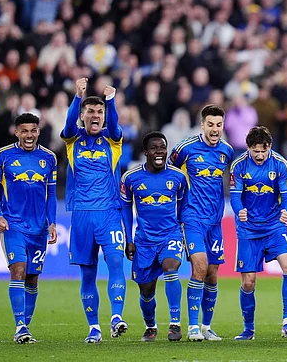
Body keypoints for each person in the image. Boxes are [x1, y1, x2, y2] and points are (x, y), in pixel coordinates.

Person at [61, 78, 128, 343]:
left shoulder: (113, 141)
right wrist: (78, 97)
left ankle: (116, 317)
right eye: (90, 112)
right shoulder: (72, 141)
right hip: (81, 216)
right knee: (87, 273)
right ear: (82, 117)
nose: (95, 116)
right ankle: (94, 328)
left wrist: (110, 101)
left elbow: (114, 124)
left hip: (109, 213)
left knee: (115, 263)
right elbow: (67, 125)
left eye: (99, 112)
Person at [0, 113, 58, 343]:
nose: (29, 135)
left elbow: (53, 196)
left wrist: (53, 222)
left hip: (39, 229)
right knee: (18, 271)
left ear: (39, 131)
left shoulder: (49, 158)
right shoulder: (2, 156)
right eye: (24, 131)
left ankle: (24, 327)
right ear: (16, 132)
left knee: (32, 279)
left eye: (33, 130)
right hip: (13, 225)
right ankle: (20, 327)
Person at [168, 105, 234, 341]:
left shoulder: (227, 151)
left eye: (218, 125)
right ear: (202, 124)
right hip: (191, 217)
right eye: (210, 125)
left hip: (215, 222)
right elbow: (168, 172)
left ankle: (206, 327)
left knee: (213, 274)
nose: (215, 129)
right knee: (200, 266)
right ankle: (192, 327)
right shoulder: (185, 149)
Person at [230, 126, 287, 340]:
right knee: (248, 282)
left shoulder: (280, 164)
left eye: (263, 151)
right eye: (255, 151)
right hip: (248, 229)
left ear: (269, 147)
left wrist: (286, 211)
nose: (260, 156)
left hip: (273, 226)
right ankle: (248, 329)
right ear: (248, 148)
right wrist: (239, 210)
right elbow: (235, 196)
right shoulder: (239, 165)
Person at [121, 132, 189, 342]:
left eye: (162, 147)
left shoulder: (178, 177)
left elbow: (183, 206)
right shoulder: (131, 178)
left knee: (170, 268)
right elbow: (125, 209)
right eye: (154, 148)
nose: (159, 152)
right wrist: (129, 240)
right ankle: (150, 326)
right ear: (146, 152)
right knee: (146, 290)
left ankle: (175, 323)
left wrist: (183, 232)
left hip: (170, 235)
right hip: (144, 241)